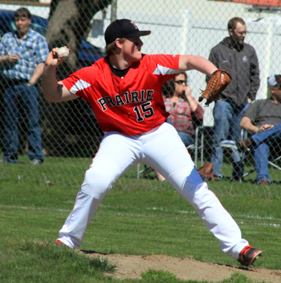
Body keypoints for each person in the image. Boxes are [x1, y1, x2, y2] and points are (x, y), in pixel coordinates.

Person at [42, 18, 262, 266]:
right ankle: (68, 240)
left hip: (158, 133)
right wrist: (50, 69)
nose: (141, 43)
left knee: (195, 188)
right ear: (118, 43)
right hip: (119, 138)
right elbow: (52, 95)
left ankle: (239, 247)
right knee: (95, 182)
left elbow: (189, 60)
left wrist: (213, 72)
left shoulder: (150, 64)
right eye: (135, 39)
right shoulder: (93, 74)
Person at [206, 17, 260, 181]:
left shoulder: (249, 51)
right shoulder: (217, 51)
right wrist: (218, 97)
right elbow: (210, 77)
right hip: (224, 102)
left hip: (243, 103)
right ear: (231, 31)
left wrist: (251, 97)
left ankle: (238, 175)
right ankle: (216, 173)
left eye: (245, 32)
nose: (244, 35)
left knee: (239, 141)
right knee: (219, 138)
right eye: (240, 32)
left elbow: (255, 76)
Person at [0, 7, 49, 164]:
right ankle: (9, 156)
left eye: (22, 20)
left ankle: (36, 156)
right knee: (9, 122)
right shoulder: (7, 38)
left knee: (32, 122)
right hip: (9, 85)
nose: (19, 23)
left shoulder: (38, 39)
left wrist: (31, 82)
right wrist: (6, 58)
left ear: (29, 21)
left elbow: (43, 62)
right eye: (17, 20)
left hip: (27, 86)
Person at [237, 74, 281, 186]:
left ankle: (251, 141)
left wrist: (274, 129)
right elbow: (244, 122)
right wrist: (258, 130)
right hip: (262, 141)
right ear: (272, 90)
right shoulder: (259, 104)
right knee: (261, 143)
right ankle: (263, 179)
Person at [163, 72, 204, 147]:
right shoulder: (164, 99)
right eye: (180, 82)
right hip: (165, 133)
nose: (183, 85)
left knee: (176, 139)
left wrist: (188, 96)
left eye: (184, 82)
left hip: (184, 134)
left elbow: (200, 114)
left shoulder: (187, 100)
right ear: (171, 82)